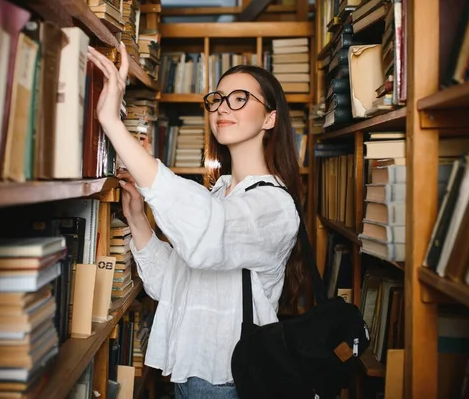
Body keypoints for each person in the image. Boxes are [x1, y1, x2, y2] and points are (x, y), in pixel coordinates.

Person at [87, 43, 306, 399]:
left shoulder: (274, 206)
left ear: (270, 118)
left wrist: (112, 123)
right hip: (189, 374)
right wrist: (137, 218)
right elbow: (171, 288)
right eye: (218, 99)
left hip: (228, 380)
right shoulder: (219, 193)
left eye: (240, 99)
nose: (222, 107)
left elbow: (207, 235)